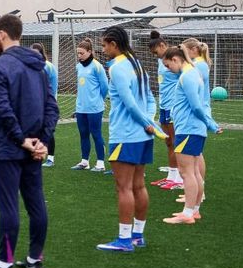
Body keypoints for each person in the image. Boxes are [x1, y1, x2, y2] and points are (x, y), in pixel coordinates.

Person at [0, 14, 57, 268]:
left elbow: (3, 109)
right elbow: (51, 107)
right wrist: (41, 140)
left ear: (3, 35)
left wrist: (22, 140)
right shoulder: (39, 67)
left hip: (7, 147)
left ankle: (4, 263)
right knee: (35, 202)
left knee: (9, 206)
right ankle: (34, 258)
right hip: (32, 147)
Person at [97, 25, 159, 253]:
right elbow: (150, 98)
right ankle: (137, 236)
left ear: (114, 44)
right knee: (138, 185)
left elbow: (130, 103)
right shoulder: (137, 64)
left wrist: (145, 122)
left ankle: (124, 240)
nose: (103, 50)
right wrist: (149, 121)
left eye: (104, 45)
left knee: (123, 187)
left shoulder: (118, 68)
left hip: (126, 134)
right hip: (142, 136)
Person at [160, 47, 221, 225]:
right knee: (193, 172)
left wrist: (211, 124)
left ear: (175, 59)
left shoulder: (187, 76)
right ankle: (194, 211)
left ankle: (187, 213)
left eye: (167, 64)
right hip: (193, 129)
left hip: (188, 129)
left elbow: (196, 106)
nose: (167, 69)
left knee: (187, 173)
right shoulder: (192, 74)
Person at [147, 32, 180, 187]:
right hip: (164, 106)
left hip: (174, 106)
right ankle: (171, 176)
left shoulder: (175, 58)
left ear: (162, 45)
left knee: (175, 142)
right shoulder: (162, 61)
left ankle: (179, 178)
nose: (156, 56)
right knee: (168, 142)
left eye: (156, 52)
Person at [72, 38, 109, 173]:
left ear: (89, 51)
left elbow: (105, 87)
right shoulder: (78, 66)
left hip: (95, 108)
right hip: (81, 108)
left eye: (82, 53)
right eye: (78, 53)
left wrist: (98, 100)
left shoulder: (97, 66)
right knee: (83, 134)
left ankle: (100, 163)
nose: (79, 56)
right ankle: (84, 161)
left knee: (96, 134)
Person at [29, 43, 59, 166]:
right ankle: (36, 154)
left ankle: (50, 158)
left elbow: (54, 86)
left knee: (48, 130)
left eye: (37, 53)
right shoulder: (30, 66)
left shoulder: (48, 66)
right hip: (34, 103)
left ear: (42, 53)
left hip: (46, 104)